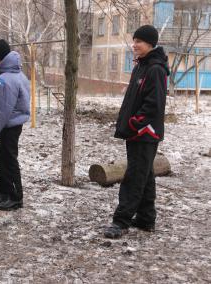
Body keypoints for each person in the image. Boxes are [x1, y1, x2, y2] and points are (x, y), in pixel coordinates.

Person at [104, 25, 170, 238]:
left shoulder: (156, 69)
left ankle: (120, 221)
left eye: (138, 41)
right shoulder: (141, 66)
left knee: (134, 177)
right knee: (145, 175)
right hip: (136, 133)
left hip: (145, 133)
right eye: (134, 41)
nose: (134, 45)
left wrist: (134, 124)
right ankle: (146, 218)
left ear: (150, 43)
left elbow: (154, 106)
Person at [0, 39, 30, 211]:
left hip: (9, 126)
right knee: (2, 158)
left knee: (9, 160)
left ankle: (16, 197)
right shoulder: (18, 75)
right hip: (11, 125)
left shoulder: (6, 80)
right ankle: (3, 192)